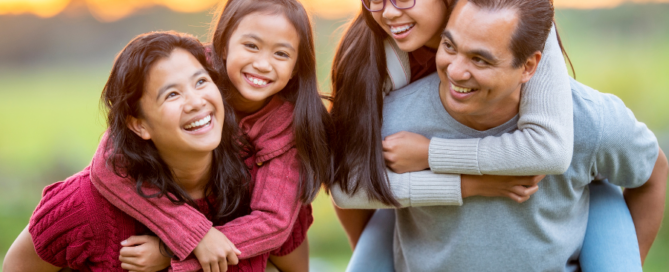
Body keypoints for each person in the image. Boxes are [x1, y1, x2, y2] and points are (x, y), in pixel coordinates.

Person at [342, 0, 668, 271]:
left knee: (603, 197)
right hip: (411, 210)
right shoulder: (384, 102)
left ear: (529, 66)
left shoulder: (585, 118)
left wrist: (431, 154)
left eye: (480, 58)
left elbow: (646, 170)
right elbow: (345, 187)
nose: (388, 12)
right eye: (449, 46)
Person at [86, 0, 331, 271]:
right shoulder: (188, 71)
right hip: (196, 212)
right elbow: (108, 163)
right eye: (251, 46)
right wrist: (193, 233)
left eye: (282, 54)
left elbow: (272, 223)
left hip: (259, 236)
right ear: (224, 43)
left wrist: (175, 251)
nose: (262, 64)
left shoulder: (288, 125)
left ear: (297, 66)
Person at [2, 31, 255, 271]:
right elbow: (16, 266)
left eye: (201, 81)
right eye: (172, 94)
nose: (196, 102)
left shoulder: (254, 180)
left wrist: (170, 253)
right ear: (139, 124)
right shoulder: (87, 204)